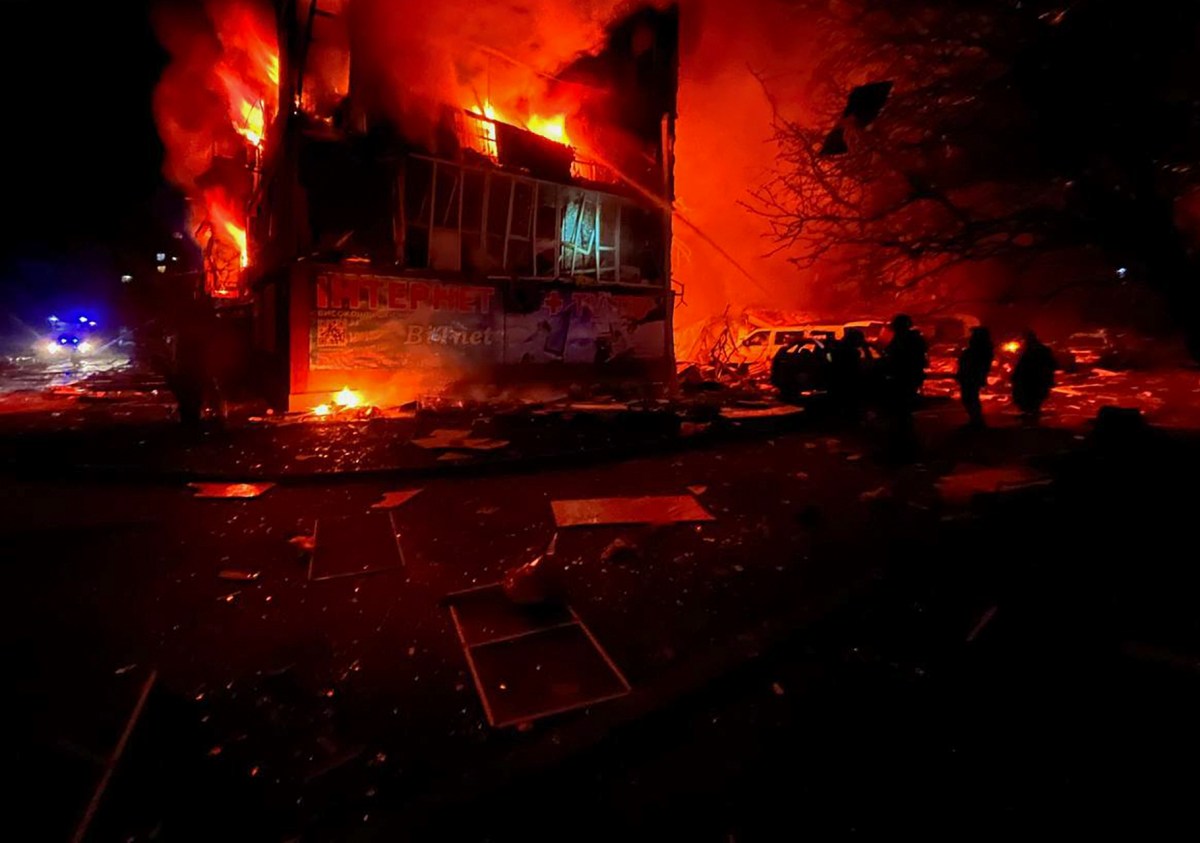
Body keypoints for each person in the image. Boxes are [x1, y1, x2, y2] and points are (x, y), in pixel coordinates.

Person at [1011, 329, 1057, 422]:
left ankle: (1032, 419)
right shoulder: (1039, 350)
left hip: (1033, 380)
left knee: (1031, 400)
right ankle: (1032, 418)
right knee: (1032, 401)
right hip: (1034, 380)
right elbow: (1052, 364)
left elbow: (1050, 365)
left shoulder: (1034, 350)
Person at [955, 326, 994, 428]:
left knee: (970, 397)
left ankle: (976, 420)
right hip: (971, 375)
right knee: (970, 397)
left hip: (972, 375)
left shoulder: (981, 349)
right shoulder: (981, 348)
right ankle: (975, 419)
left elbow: (977, 363)